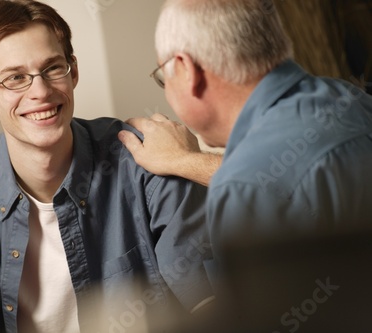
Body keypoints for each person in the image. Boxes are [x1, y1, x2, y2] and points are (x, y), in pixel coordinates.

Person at [0, 1, 211, 332]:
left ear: (73, 71)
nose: (41, 92)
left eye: (52, 69)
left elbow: (213, 305)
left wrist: (189, 162)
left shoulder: (146, 160)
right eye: (15, 78)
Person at [119, 0, 372, 230]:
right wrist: (186, 159)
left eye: (163, 76)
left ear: (187, 70)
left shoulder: (241, 189)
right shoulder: (354, 98)